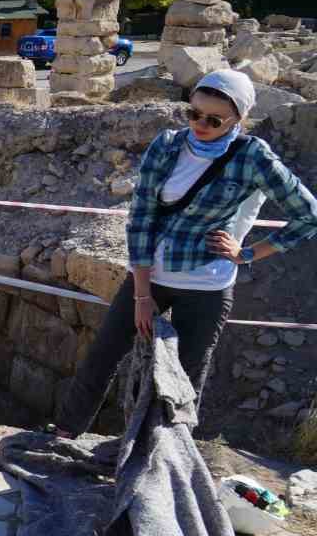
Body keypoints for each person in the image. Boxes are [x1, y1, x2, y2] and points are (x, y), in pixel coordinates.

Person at [53, 70, 317, 436]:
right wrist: (142, 294)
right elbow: (141, 218)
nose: (200, 125)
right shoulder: (167, 145)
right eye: (194, 114)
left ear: (239, 119)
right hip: (152, 275)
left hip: (207, 284)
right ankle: (64, 434)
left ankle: (161, 457)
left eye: (214, 119)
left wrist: (248, 254)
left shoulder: (253, 157)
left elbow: (308, 216)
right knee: (102, 357)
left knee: (185, 381)